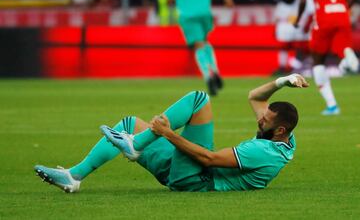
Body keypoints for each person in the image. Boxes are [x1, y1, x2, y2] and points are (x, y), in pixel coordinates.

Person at [34, 74, 309, 193]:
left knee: (199, 99)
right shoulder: (282, 137)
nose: (260, 119)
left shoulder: (264, 152)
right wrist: (284, 81)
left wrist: (167, 133)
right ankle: (74, 177)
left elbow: (210, 159)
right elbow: (254, 96)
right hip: (184, 172)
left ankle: (137, 146)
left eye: (266, 119)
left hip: (198, 179)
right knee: (129, 124)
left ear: (279, 129)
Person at [294, 0, 359, 115]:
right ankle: (346, 61)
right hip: (342, 15)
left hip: (324, 17)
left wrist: (298, 19)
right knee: (341, 50)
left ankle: (332, 106)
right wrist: (347, 7)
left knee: (318, 61)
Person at [165, 0, 234, 96]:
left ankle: (208, 77)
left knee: (198, 45)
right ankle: (215, 71)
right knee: (204, 41)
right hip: (204, 11)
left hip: (187, 14)